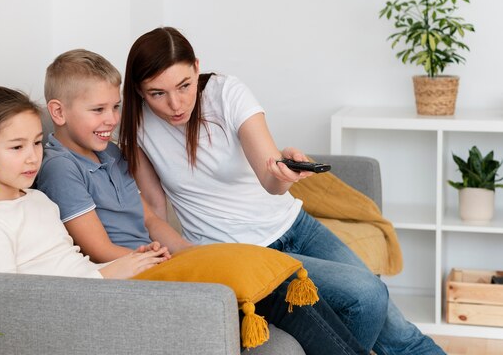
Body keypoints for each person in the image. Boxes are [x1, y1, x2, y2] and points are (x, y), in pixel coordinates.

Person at [118, 26, 446, 355]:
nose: (175, 104)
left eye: (184, 86)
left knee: (397, 329)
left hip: (295, 225)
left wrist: (285, 175)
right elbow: (155, 210)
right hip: (244, 254)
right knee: (366, 294)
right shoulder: (138, 128)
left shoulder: (226, 93)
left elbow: (270, 180)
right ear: (140, 91)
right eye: (157, 93)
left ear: (196, 67)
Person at [36, 48, 368, 355]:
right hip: (131, 277)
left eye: (115, 107)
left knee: (277, 276)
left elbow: (149, 219)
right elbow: (98, 249)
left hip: (157, 262)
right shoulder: (60, 167)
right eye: (98, 110)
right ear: (58, 112)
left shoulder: (110, 153)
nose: (111, 119)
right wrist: (162, 260)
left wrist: (187, 251)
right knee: (278, 290)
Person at [0, 85, 169, 279]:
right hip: (74, 309)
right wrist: (109, 274)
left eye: (36, 143)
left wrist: (135, 260)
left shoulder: (38, 199)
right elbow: (10, 306)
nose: (33, 157)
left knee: (192, 267)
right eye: (17, 147)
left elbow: (73, 268)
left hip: (94, 289)